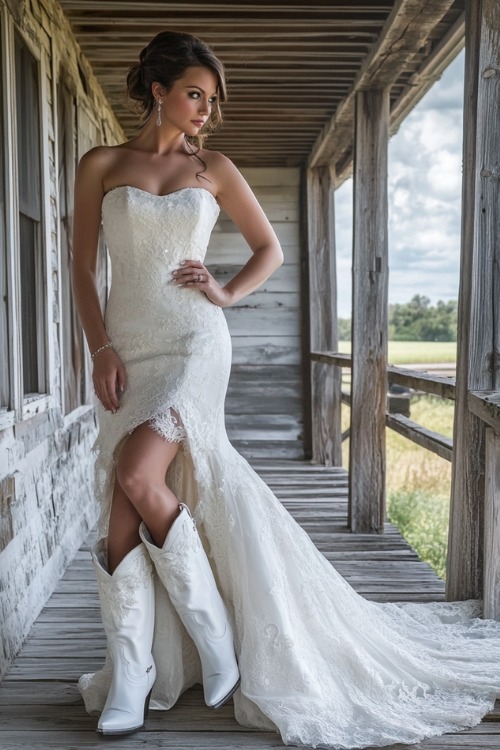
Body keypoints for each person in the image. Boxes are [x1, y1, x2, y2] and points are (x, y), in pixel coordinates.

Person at [72, 30, 500, 749]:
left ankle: (214, 640)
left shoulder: (214, 168)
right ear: (158, 90)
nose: (205, 110)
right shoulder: (101, 164)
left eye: (212, 100)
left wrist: (227, 291)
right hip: (128, 349)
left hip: (194, 343)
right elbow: (84, 269)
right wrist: (100, 348)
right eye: (194, 94)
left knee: (138, 473)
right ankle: (130, 671)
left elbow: (268, 247)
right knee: (122, 504)